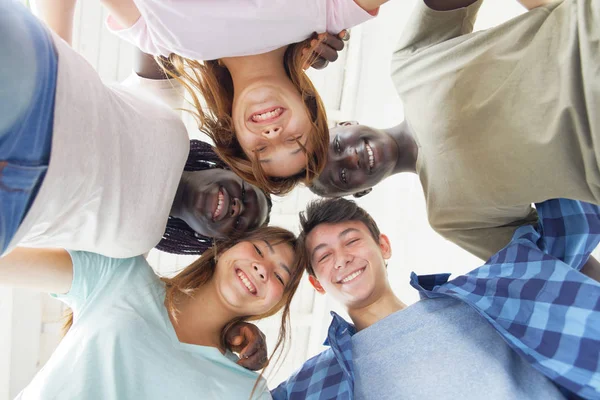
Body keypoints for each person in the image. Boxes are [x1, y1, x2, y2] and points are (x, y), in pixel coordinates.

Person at [309, 0, 600, 274]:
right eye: (343, 176)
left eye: (337, 144)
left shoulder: (409, 64)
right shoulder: (449, 218)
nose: (350, 157)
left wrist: (321, 26)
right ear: (361, 192)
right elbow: (554, 269)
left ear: (347, 122)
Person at [0, 0, 277, 258]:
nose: (236, 206)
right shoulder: (169, 113)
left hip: (18, 204)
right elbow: (155, 19)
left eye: (239, 223)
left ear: (213, 240)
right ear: (226, 166)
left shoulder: (137, 251)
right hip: (36, 92)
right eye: (244, 193)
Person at [272, 198, 600, 399]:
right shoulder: (314, 383)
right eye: (324, 256)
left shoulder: (478, 295)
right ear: (317, 284)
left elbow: (570, 222)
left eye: (351, 240)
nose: (341, 259)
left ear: (383, 246)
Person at [102, 0, 389, 194]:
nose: (273, 133)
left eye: (261, 150)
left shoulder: (161, 39)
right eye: (294, 139)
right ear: (308, 107)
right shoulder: (330, 11)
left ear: (233, 134)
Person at [1, 226, 303, 399]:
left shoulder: (248, 393)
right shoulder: (120, 274)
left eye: (279, 277)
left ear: (276, 304)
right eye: (259, 250)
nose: (263, 269)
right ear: (225, 247)